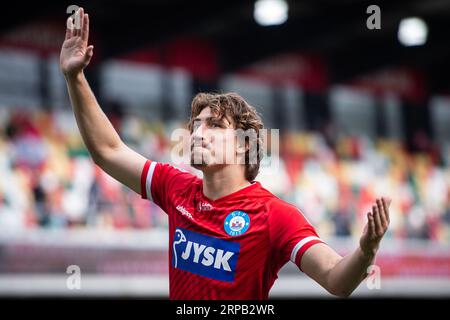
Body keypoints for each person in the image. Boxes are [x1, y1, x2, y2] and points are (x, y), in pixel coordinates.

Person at [60, 8, 391, 299]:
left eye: (214, 126)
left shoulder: (275, 216)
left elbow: (336, 280)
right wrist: (75, 77)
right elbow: (107, 151)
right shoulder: (176, 188)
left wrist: (366, 250)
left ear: (244, 143)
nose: (198, 133)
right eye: (196, 125)